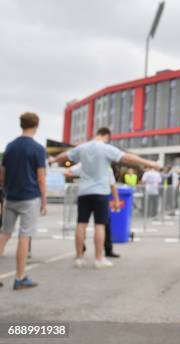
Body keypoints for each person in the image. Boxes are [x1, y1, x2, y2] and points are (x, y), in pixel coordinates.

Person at [49, 127, 160, 269]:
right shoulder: (105, 148)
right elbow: (128, 157)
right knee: (99, 225)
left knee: (81, 224)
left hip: (84, 192)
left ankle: (79, 258)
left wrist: (53, 159)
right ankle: (99, 258)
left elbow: (65, 155)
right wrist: (151, 163)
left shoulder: (83, 148)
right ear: (106, 135)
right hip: (100, 192)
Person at [0, 112, 47, 290]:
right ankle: (20, 277)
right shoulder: (37, 148)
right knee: (24, 236)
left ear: (21, 124)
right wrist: (44, 201)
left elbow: (2, 174)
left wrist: (6, 190)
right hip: (29, 197)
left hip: (10, 196)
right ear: (36, 125)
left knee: (4, 234)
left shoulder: (10, 146)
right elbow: (41, 178)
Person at [65, 163, 121, 257]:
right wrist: (116, 200)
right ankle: (101, 256)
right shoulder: (105, 166)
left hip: (85, 194)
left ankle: (80, 252)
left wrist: (78, 177)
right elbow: (112, 185)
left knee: (82, 224)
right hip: (100, 195)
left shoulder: (84, 164)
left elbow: (67, 172)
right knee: (102, 224)